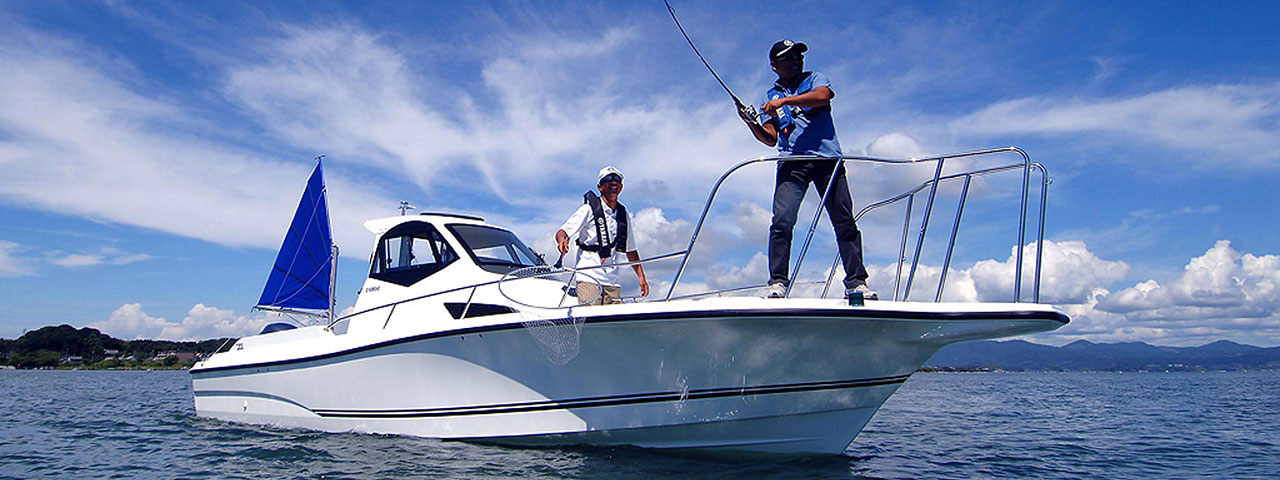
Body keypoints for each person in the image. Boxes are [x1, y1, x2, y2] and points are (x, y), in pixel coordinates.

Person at [739, 39, 874, 299]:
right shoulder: (770, 97)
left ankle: (857, 282)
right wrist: (750, 122)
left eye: (798, 56)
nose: (796, 61)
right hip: (792, 164)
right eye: (788, 58)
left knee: (844, 220)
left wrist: (784, 102)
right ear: (774, 66)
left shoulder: (815, 79)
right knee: (782, 222)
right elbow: (770, 138)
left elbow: (822, 97)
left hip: (827, 161)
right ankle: (777, 283)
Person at [556, 166, 650, 305]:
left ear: (621, 186)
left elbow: (631, 250)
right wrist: (562, 240)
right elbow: (563, 231)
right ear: (600, 187)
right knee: (591, 318)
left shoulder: (623, 215)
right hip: (589, 277)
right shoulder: (588, 210)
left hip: (613, 282)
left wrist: (642, 278)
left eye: (617, 180)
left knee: (613, 323)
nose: (613, 183)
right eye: (608, 180)